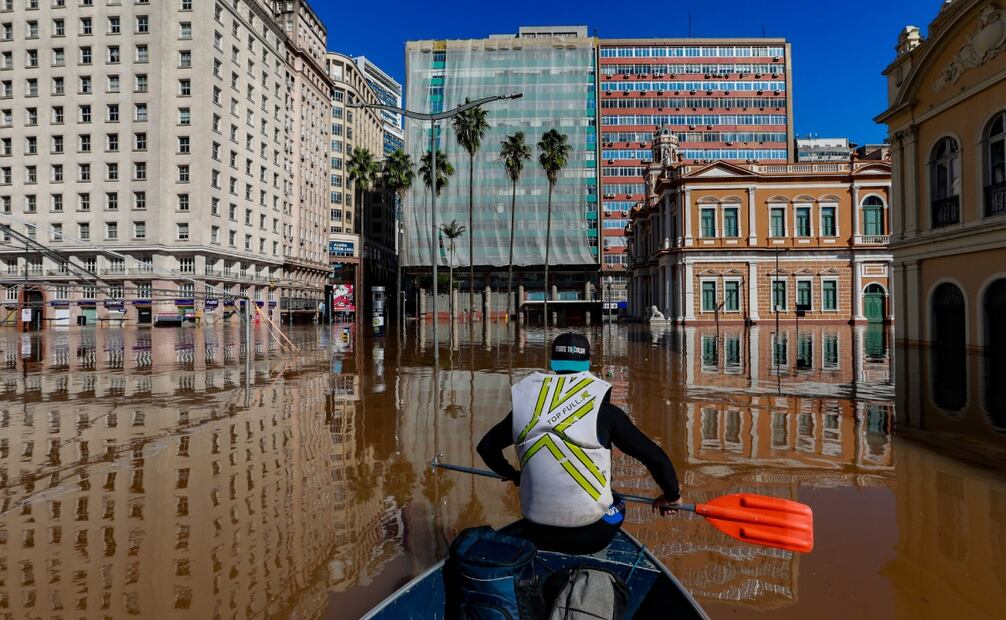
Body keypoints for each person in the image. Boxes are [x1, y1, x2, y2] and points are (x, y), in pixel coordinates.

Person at [477, 332, 681, 554]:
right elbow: (655, 458)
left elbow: (486, 448)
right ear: (588, 365)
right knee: (618, 500)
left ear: (552, 364)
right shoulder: (606, 411)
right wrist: (672, 496)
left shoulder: (526, 409)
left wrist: (514, 475)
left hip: (536, 530)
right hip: (591, 537)